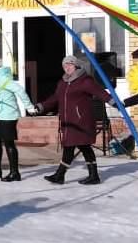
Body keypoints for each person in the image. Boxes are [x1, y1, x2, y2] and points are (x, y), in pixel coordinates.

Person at [33, 55, 112, 185]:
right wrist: (42, 106)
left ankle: (62, 175)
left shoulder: (85, 80)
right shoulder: (62, 83)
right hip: (68, 122)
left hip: (81, 121)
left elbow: (100, 92)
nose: (67, 67)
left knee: (75, 146)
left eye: (70, 64)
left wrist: (114, 102)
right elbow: (54, 98)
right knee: (80, 147)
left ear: (76, 66)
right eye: (65, 65)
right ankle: (91, 175)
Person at [0, 57, 35, 182]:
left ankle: (14, 173)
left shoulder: (2, 78)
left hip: (8, 116)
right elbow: (0, 93)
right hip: (2, 115)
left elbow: (19, 90)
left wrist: (29, 107)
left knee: (9, 143)